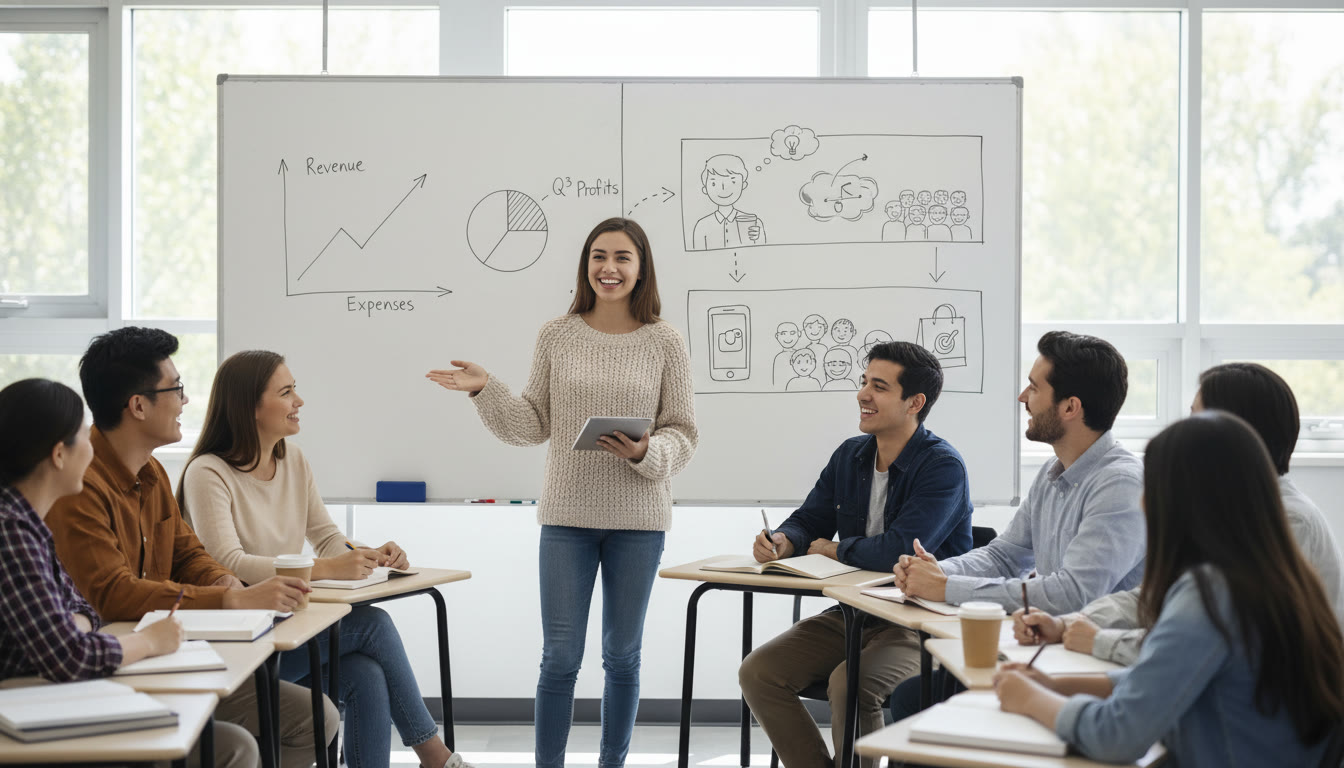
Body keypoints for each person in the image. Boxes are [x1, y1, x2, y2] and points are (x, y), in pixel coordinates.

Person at [426, 217, 697, 768]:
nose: (609, 268)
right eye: (599, 256)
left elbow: (684, 432)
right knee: (559, 658)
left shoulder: (665, 340)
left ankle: (611, 764)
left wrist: (645, 453)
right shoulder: (558, 333)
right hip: (567, 518)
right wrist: (486, 389)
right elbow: (532, 424)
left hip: (640, 519)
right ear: (585, 266)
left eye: (622, 257)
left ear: (641, 267)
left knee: (622, 658)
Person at [45, 327, 337, 768]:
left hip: (167, 653)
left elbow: (187, 552)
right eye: (176, 388)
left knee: (316, 715)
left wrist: (223, 580)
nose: (185, 400)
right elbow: (113, 593)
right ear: (138, 406)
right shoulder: (81, 484)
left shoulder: (153, 472)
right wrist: (231, 597)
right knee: (244, 743)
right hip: (115, 668)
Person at [994, 411, 1344, 767]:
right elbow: (1159, 678)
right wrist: (1055, 686)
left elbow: (1116, 735)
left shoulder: (1211, 595)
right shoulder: (1282, 576)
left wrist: (1029, 699)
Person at [180, 350, 473, 768]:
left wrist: (370, 556)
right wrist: (325, 569)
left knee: (365, 676)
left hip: (288, 628)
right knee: (373, 624)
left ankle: (433, 757)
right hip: (244, 647)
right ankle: (434, 754)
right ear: (250, 408)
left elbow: (325, 536)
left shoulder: (293, 459)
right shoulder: (208, 472)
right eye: (286, 392)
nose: (299, 400)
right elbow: (228, 561)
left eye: (295, 388)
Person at [738, 342, 973, 768]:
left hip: (920, 622)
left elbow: (897, 551)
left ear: (914, 403)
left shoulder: (943, 467)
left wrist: (834, 549)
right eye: (864, 382)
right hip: (856, 613)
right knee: (759, 672)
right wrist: (784, 540)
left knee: (850, 684)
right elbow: (810, 519)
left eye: (879, 386)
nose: (863, 394)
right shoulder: (851, 454)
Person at [1014, 362, 1344, 664]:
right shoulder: (1222, 508)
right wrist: (1066, 624)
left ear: (1237, 435)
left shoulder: (1288, 521)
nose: (1184, 430)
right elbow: (1159, 595)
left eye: (1197, 419)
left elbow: (1213, 645)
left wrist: (1101, 641)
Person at [888, 331, 1145, 716]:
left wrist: (946, 587)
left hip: (1094, 665)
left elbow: (1075, 594)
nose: (1023, 397)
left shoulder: (1120, 483)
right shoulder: (1052, 472)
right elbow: (1007, 555)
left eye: (1034, 388)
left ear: (1070, 407)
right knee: (916, 696)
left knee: (919, 700)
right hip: (1048, 647)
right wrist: (938, 570)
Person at [0, 379, 185, 689]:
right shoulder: (11, 531)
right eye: (85, 435)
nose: (92, 447)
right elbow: (69, 656)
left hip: (38, 690)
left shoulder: (29, 523)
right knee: (232, 740)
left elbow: (85, 610)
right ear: (59, 455)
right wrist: (149, 641)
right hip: (23, 702)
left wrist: (69, 628)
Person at [691, 155, 766, 249]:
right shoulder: (702, 226)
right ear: (705, 189)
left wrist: (757, 239)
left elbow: (764, 253)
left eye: (733, 182)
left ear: (743, 185)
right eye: (714, 183)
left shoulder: (754, 223)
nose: (723, 188)